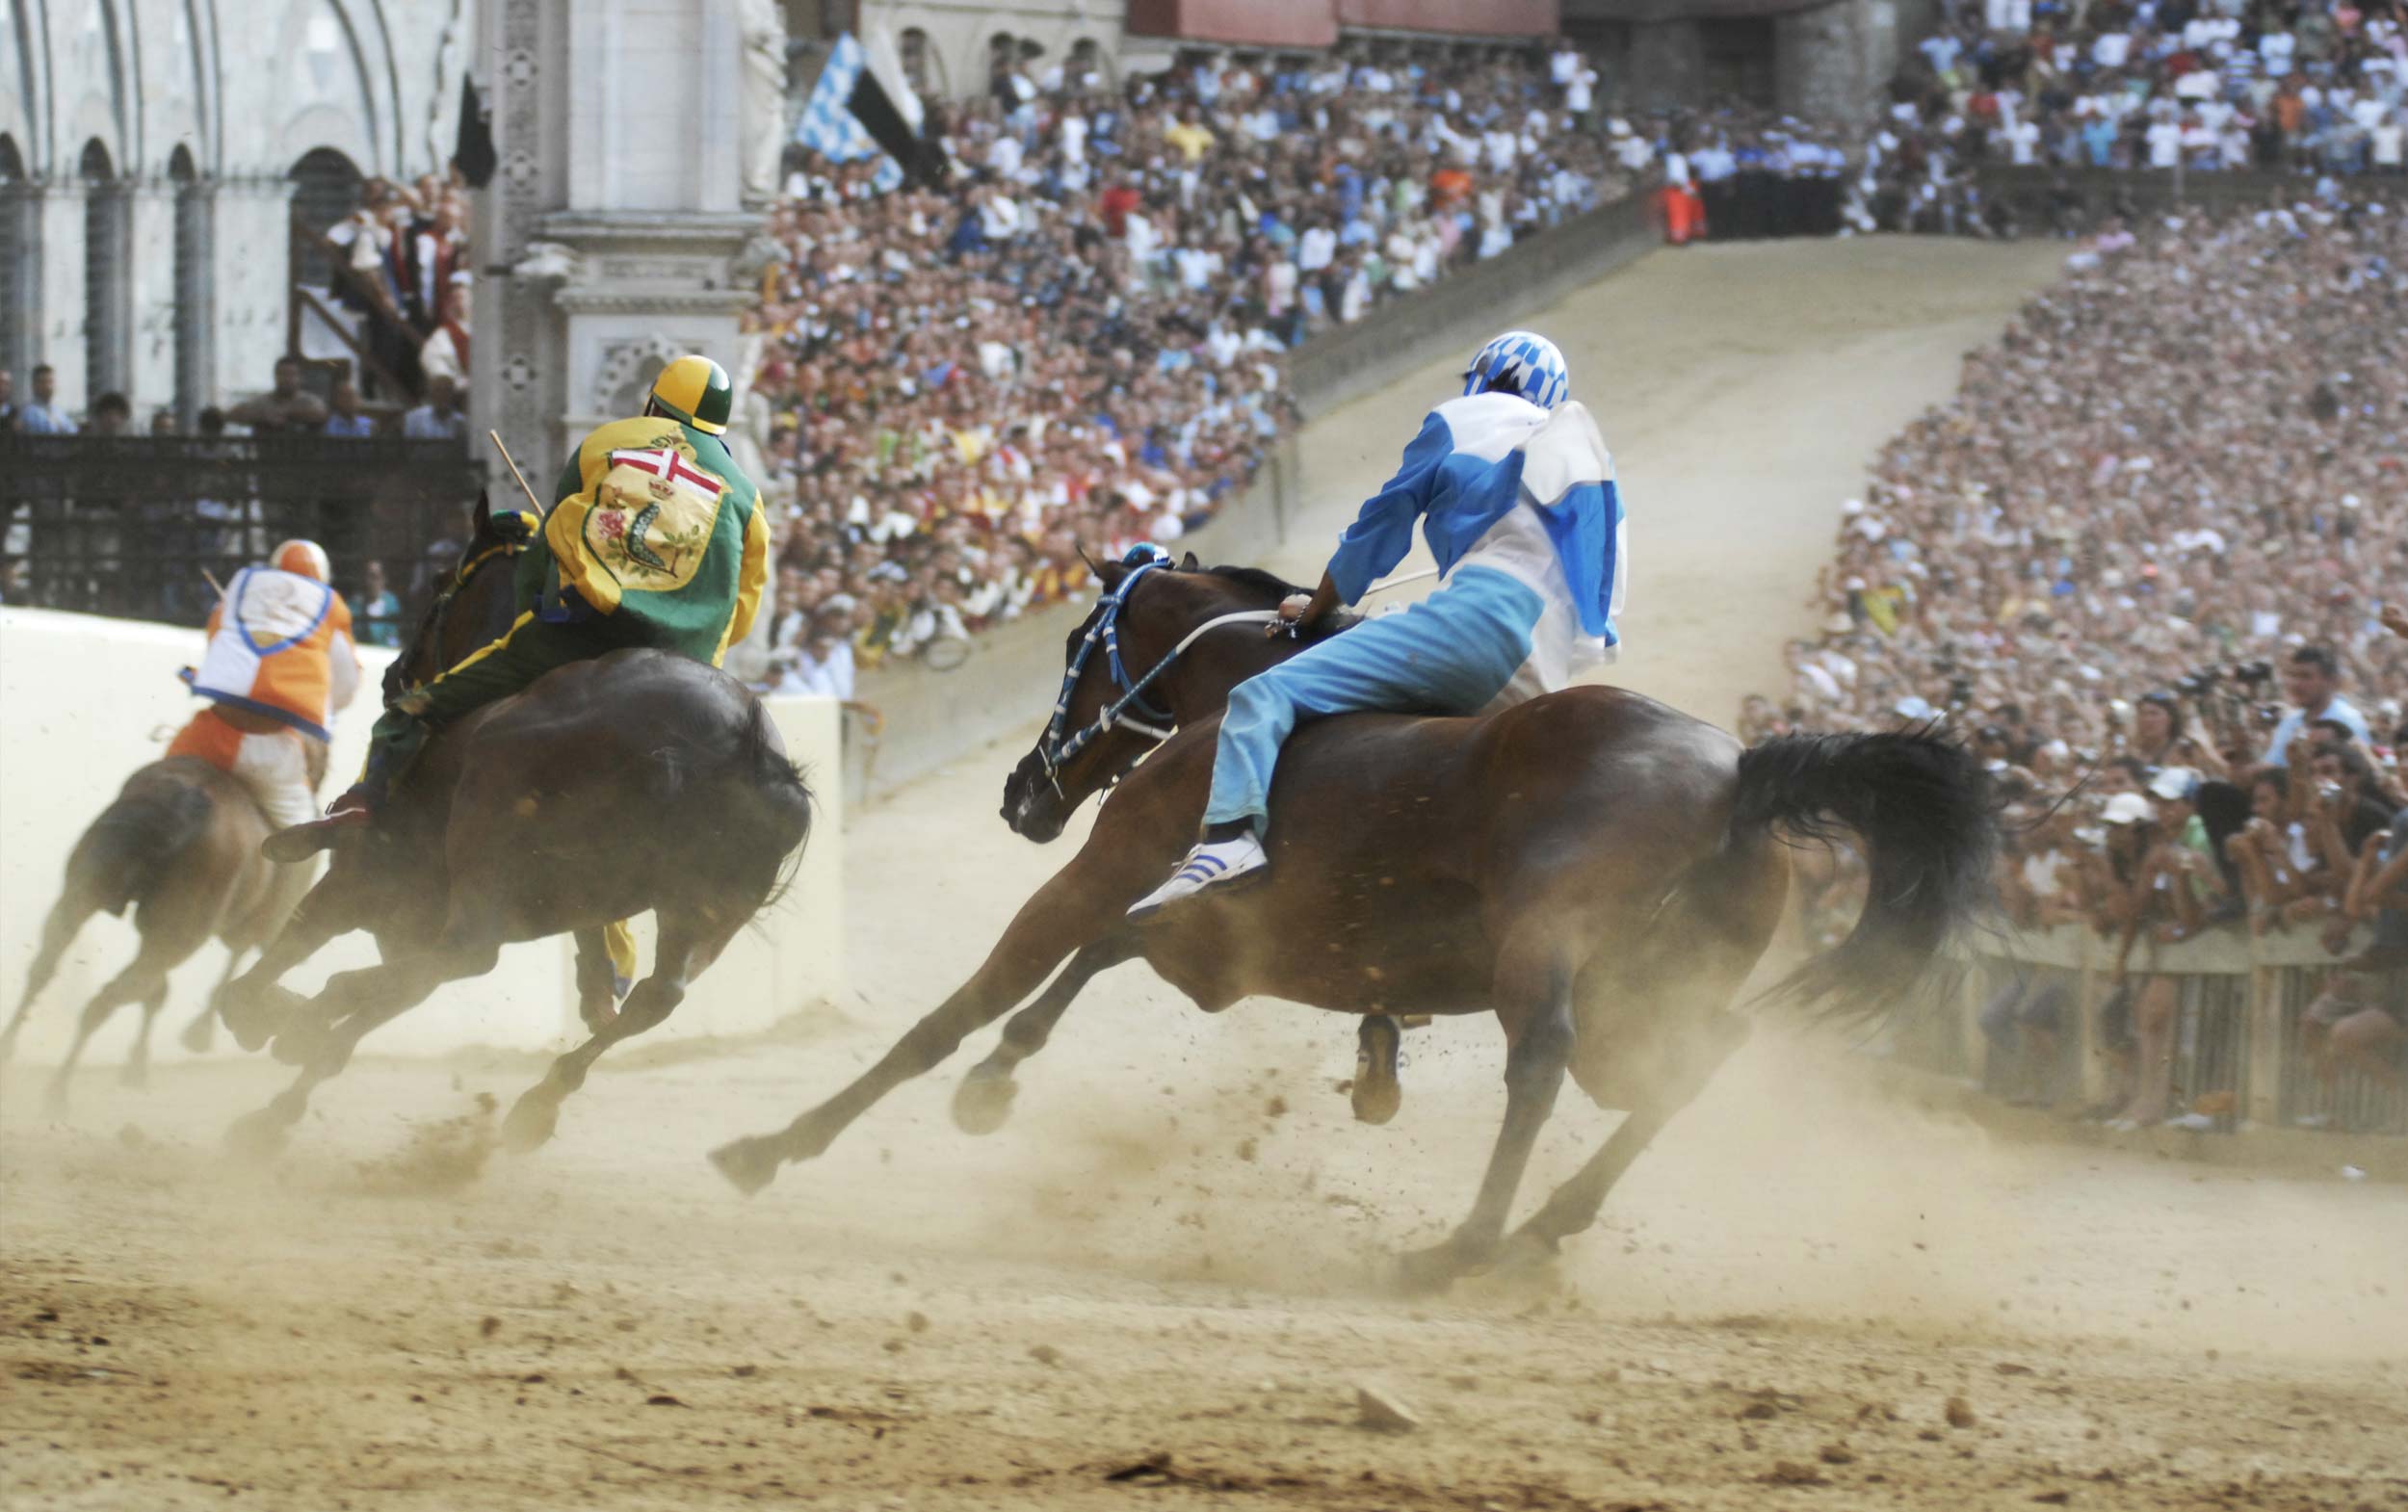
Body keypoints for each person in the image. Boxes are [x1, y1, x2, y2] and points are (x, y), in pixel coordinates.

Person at [1128, 330, 1622, 916]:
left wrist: (1316, 608)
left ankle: (1228, 841)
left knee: (1262, 695)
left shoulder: (1465, 417)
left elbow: (1379, 530)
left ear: (1487, 375)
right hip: (1545, 669)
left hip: (1481, 622)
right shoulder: (1581, 463)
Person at [268, 354, 770, 857]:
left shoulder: (606, 442)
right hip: (687, 662)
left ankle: (361, 806)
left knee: (417, 705)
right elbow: (744, 609)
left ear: (653, 403)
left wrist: (539, 605)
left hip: (584, 635)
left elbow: (549, 548)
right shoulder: (747, 496)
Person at [169, 540, 362, 921]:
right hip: (270, 751)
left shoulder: (242, 589)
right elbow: (346, 684)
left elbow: (217, 641)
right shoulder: (330, 606)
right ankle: (275, 924)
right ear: (322, 578)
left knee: (161, 781)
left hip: (204, 735)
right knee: (303, 840)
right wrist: (320, 707)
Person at [2263, 645, 2369, 763]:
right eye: (2293, 676)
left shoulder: (2347, 721)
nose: (2296, 684)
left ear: (2330, 681)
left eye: (2305, 676)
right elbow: (2273, 765)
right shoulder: (2289, 722)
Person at [226, 355, 330, 433]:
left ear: (300, 378)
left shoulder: (309, 401)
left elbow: (321, 413)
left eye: (292, 374)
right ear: (275, 376)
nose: (287, 379)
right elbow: (233, 414)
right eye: (283, 374)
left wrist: (287, 414)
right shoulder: (264, 401)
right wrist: (264, 416)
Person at [401, 374, 466, 440]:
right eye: (438, 390)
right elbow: (408, 445)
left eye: (447, 390)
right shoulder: (414, 418)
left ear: (453, 394)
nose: (442, 395)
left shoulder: (461, 422)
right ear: (430, 393)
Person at [357, 559, 404, 647]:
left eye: (374, 577)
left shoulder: (391, 604)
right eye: (367, 577)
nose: (369, 582)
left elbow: (393, 636)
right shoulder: (355, 605)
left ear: (383, 579)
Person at [19, 364, 76, 434]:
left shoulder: (59, 411)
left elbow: (72, 431)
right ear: (34, 385)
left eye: (51, 382)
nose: (48, 387)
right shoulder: (29, 413)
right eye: (43, 382)